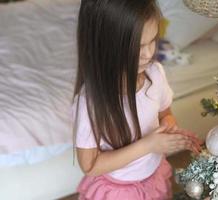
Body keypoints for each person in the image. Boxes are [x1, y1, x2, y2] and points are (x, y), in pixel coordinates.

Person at [72, 0, 202, 199]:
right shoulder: (90, 101)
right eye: (138, 46)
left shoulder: (155, 73)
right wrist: (149, 145)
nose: (149, 54)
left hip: (154, 176)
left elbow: (165, 113)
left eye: (152, 41)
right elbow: (90, 165)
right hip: (118, 191)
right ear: (105, 44)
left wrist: (169, 129)